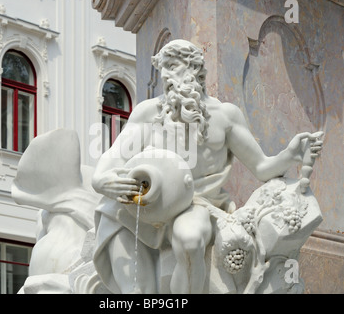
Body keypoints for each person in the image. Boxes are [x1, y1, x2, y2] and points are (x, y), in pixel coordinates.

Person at [92, 39, 323, 294]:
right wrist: (101, 180)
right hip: (148, 207)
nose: (166, 76)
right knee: (117, 226)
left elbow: (261, 167)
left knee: (190, 240)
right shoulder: (148, 112)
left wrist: (290, 155)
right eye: (163, 69)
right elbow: (113, 157)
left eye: (172, 66)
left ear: (195, 69)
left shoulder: (225, 116)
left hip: (197, 205)